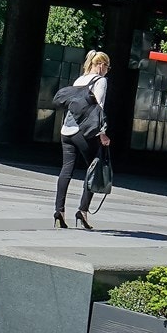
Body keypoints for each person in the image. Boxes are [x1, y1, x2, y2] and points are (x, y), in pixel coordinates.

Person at [54, 50, 110, 231]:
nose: (107, 70)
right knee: (94, 167)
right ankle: (82, 210)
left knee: (66, 169)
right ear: (100, 65)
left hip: (66, 130)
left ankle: (59, 211)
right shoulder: (100, 81)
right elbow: (98, 108)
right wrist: (102, 133)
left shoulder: (79, 80)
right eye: (107, 66)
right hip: (83, 132)